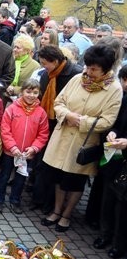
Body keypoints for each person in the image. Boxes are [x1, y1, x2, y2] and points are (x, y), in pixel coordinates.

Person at [41, 43, 122, 232]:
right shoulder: (78, 78)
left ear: (106, 70)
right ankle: (56, 210)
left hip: (84, 142)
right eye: (87, 67)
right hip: (62, 138)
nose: (88, 72)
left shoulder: (114, 89)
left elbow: (108, 120)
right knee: (60, 178)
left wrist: (81, 121)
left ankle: (67, 215)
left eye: (94, 69)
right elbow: (59, 102)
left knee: (75, 181)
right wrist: (67, 115)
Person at [30, 45, 82, 212]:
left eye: (45, 63)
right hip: (47, 125)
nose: (43, 67)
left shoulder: (76, 75)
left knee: (55, 168)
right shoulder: (47, 75)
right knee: (42, 164)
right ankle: (40, 199)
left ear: (56, 61)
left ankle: (51, 204)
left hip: (64, 126)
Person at [0, 79, 49, 214]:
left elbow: (43, 134)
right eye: (28, 91)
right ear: (22, 91)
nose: (31, 95)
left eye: (35, 92)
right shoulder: (12, 109)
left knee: (21, 177)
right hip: (10, 152)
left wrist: (34, 148)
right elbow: (5, 130)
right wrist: (12, 147)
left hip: (26, 154)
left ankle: (15, 200)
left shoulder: (41, 113)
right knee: (4, 175)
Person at [92, 65, 127, 259]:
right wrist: (112, 131)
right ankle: (106, 235)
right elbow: (112, 118)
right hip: (114, 156)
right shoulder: (122, 98)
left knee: (123, 207)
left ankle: (119, 245)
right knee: (108, 198)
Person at [6, 34, 40, 100]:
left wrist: (14, 89)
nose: (15, 50)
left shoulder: (35, 66)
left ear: (27, 50)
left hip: (22, 99)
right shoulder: (9, 61)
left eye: (18, 48)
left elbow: (33, 86)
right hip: (5, 97)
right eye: (14, 47)